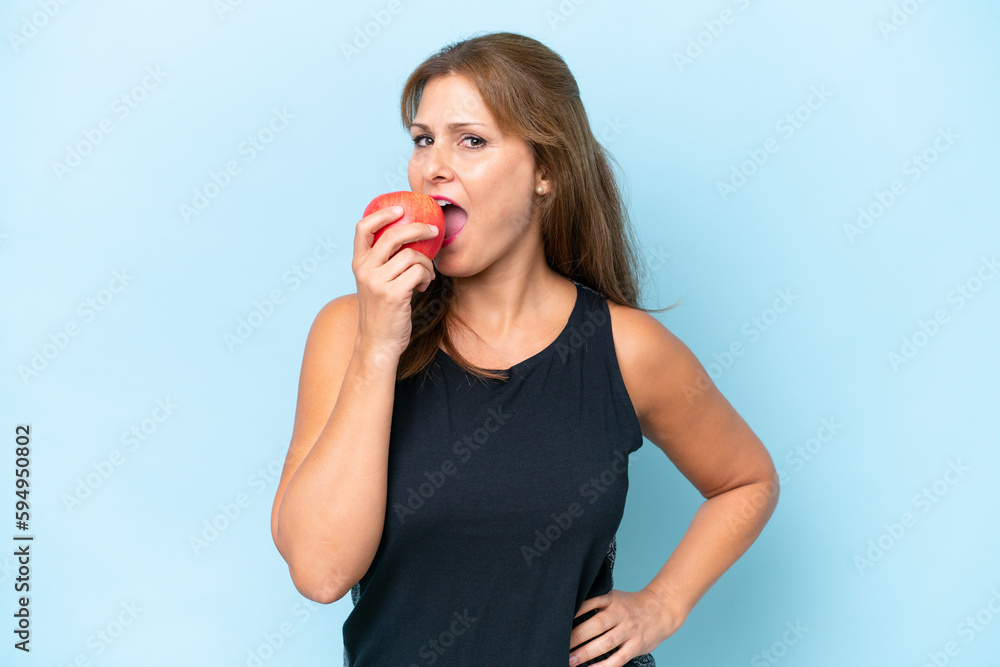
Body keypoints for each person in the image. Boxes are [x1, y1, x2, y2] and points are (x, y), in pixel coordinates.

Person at [270, 31, 779, 666]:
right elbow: (320, 573)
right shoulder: (350, 331)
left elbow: (746, 482)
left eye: (471, 140)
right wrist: (378, 346)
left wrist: (662, 604)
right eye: (423, 139)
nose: (433, 166)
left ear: (546, 171)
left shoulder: (627, 350)